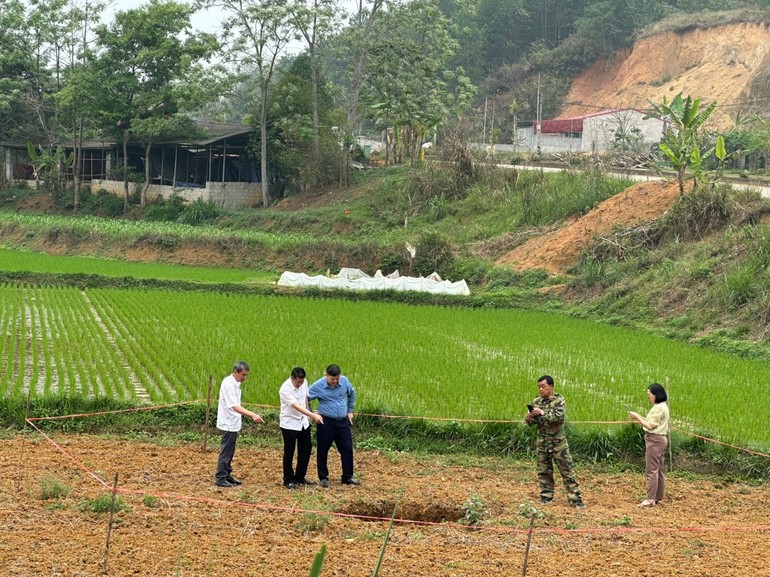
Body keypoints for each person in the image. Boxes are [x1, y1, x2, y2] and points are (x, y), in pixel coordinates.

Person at [525, 375, 585, 508]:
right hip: (542, 443)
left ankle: (575, 499)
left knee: (567, 471)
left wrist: (541, 413)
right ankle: (546, 496)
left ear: (551, 387)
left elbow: (558, 417)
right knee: (544, 471)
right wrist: (529, 418)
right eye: (539, 387)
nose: (541, 389)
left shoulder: (559, 400)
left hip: (558, 444)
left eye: (544, 387)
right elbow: (534, 423)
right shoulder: (536, 401)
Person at [308, 364, 358, 488]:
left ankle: (347, 477)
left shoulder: (345, 381)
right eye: (332, 379)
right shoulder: (318, 385)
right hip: (326, 422)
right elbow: (305, 397)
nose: (335, 381)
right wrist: (311, 413)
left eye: (337, 379)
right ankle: (323, 477)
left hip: (343, 422)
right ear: (326, 376)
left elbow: (352, 394)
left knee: (347, 448)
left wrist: (350, 411)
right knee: (323, 449)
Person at [214, 361, 264, 487]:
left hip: (233, 422)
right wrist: (252, 414)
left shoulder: (235, 384)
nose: (245, 378)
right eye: (243, 375)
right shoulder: (228, 384)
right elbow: (234, 406)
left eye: (246, 375)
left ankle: (227, 475)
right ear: (235, 372)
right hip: (228, 423)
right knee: (226, 451)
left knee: (230, 451)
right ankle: (220, 478)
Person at [279, 367, 324, 489]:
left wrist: (309, 411)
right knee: (289, 451)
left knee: (306, 448)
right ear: (292, 378)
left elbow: (305, 399)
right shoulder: (285, 389)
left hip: (303, 422)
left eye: (302, 382)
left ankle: (299, 477)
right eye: (298, 382)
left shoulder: (304, 383)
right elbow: (296, 406)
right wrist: (312, 415)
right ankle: (288, 479)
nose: (300, 384)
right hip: (289, 423)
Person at [628, 383, 670, 507]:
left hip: (654, 440)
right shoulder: (662, 406)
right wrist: (638, 416)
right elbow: (650, 420)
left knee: (652, 470)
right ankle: (658, 496)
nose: (649, 397)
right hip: (661, 439)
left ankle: (650, 499)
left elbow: (649, 425)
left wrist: (636, 416)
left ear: (656, 395)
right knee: (659, 469)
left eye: (649, 395)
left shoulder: (658, 408)